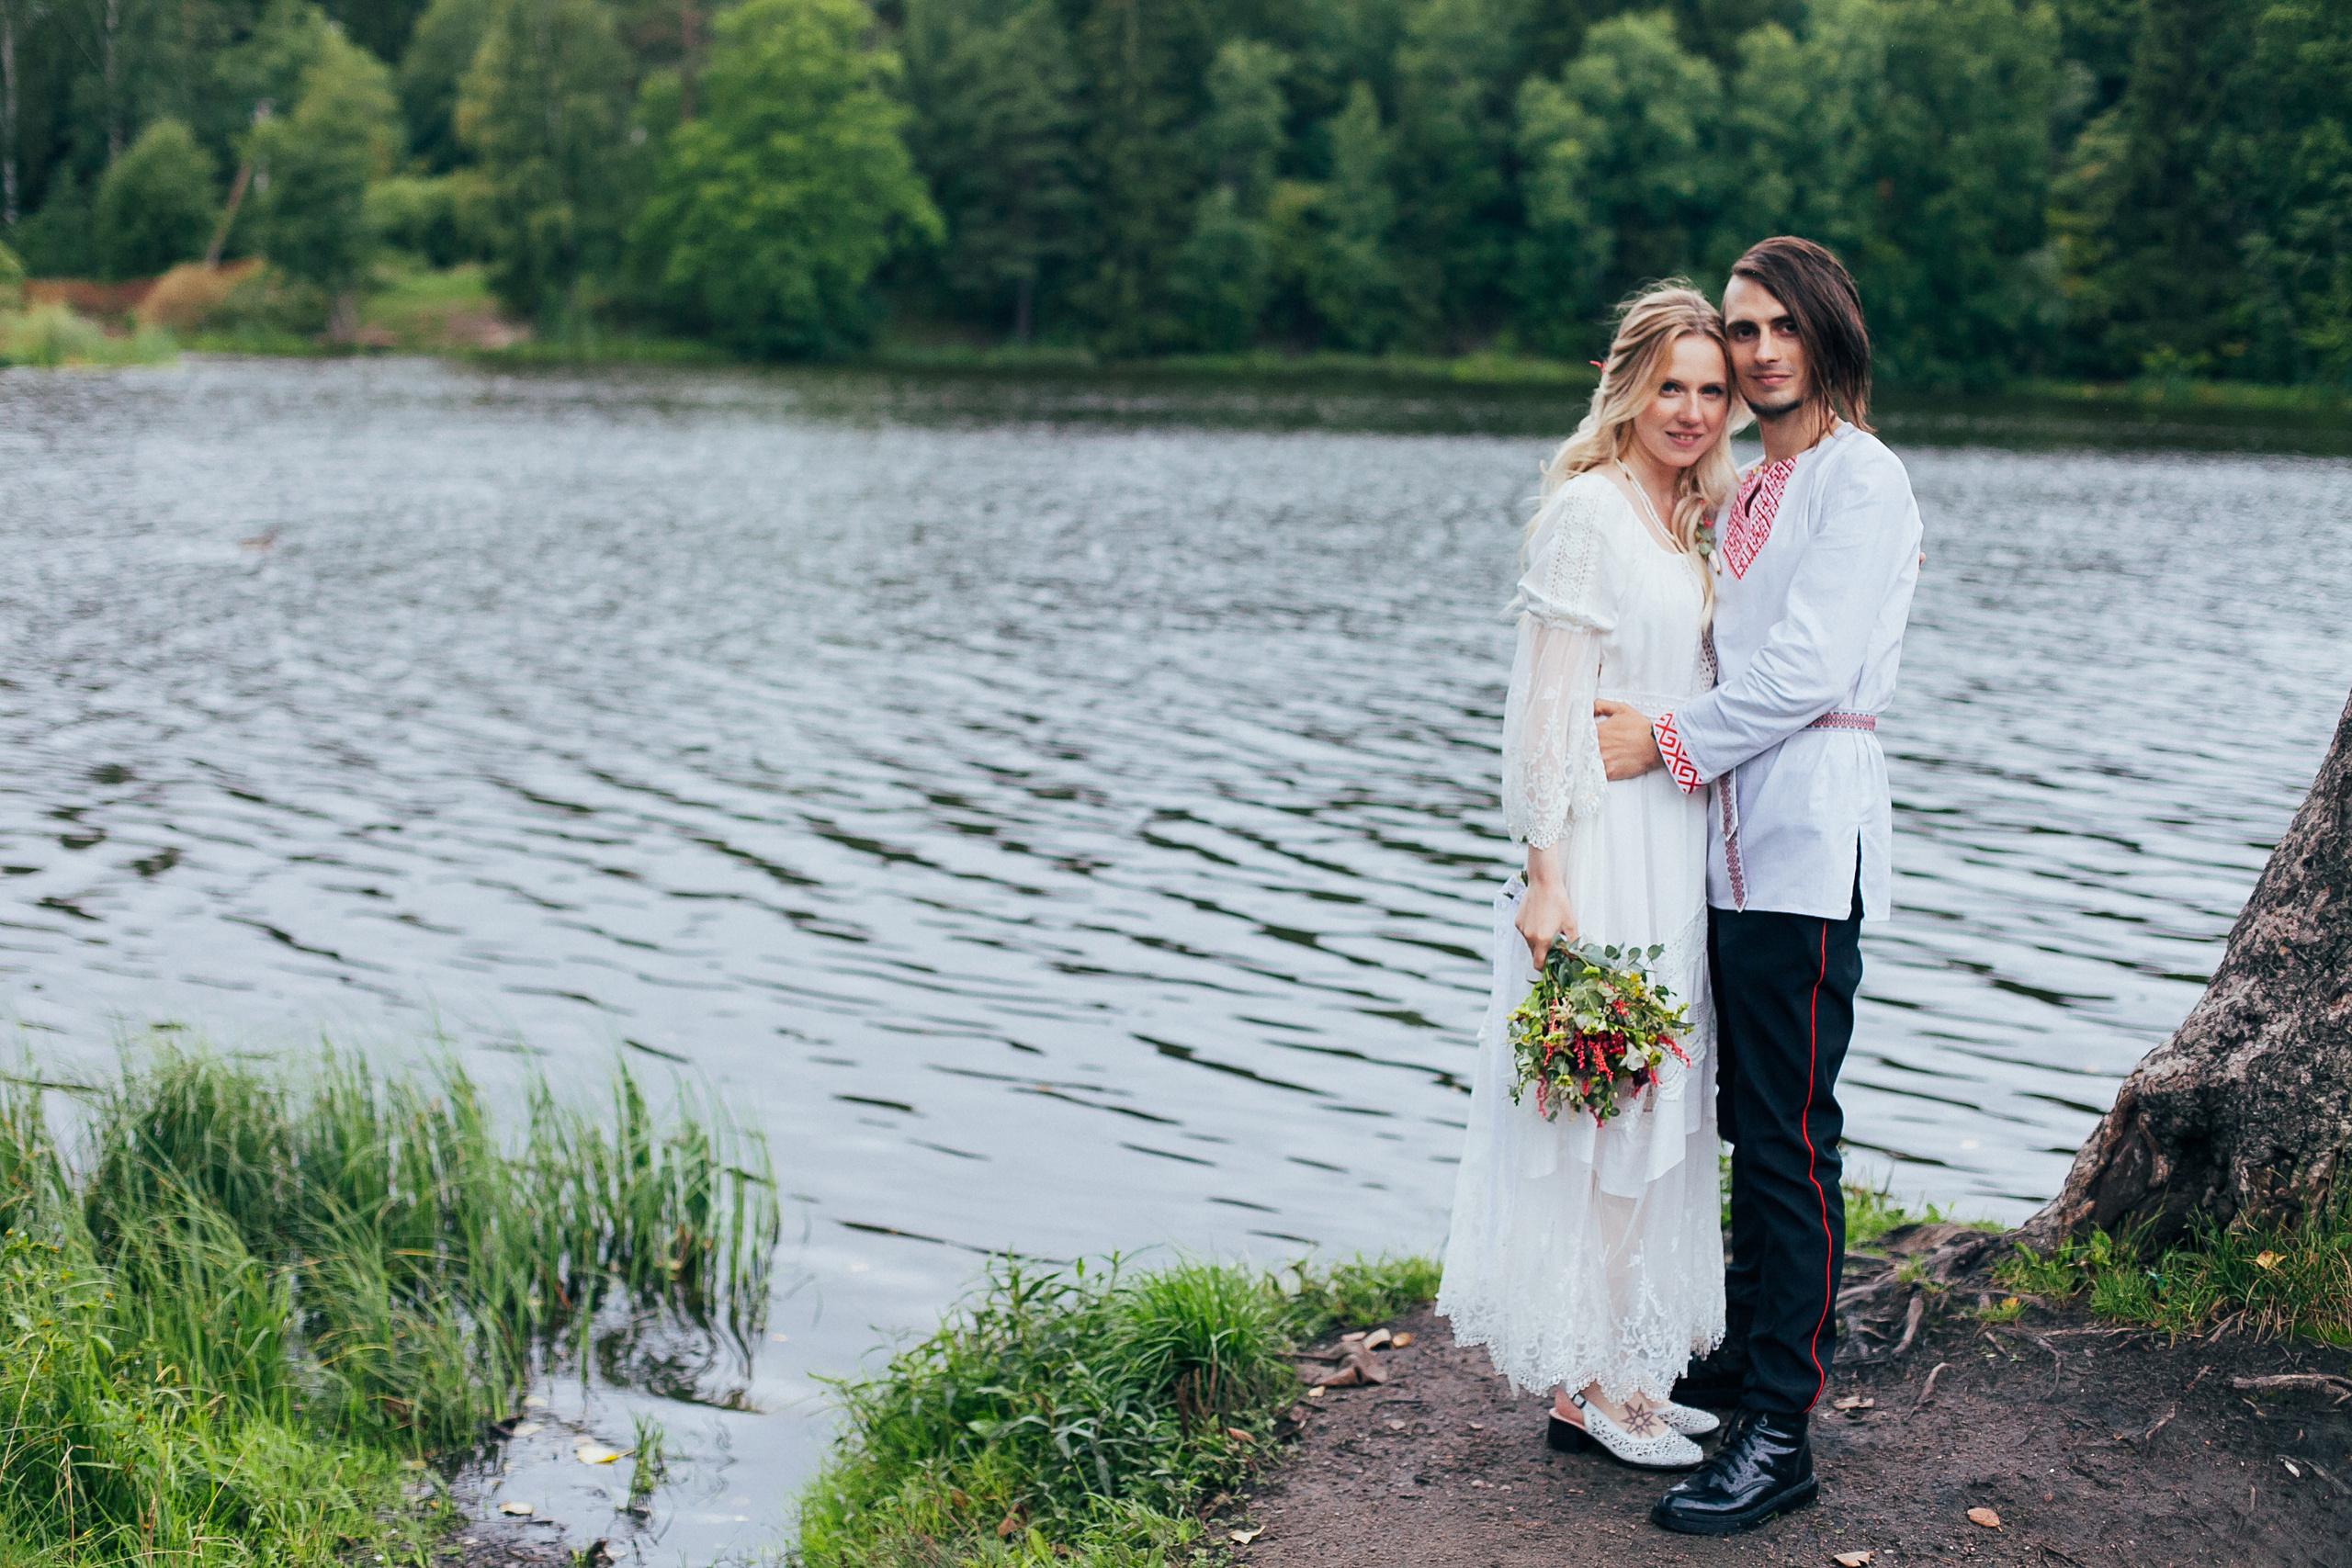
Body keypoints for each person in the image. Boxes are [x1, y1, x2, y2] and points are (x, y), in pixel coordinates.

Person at [1592, 236, 1924, 1535]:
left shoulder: (1863, 482)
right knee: (1743, 1121)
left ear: (1827, 332)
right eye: (1742, 328)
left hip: (1801, 848)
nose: (1759, 347)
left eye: (1782, 324)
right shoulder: (1748, 493)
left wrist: (1664, 742)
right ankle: (1737, 1360)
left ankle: (1780, 1427)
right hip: (1721, 855)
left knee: (1791, 1140)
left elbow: (1802, 674)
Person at [1436, 284, 1741, 1471]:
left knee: (1660, 1110)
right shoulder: (1590, 512)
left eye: (1712, 392)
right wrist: (1546, 875)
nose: (1693, 410)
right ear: (1627, 383)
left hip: (1674, 845)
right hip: (1605, 848)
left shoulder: (1685, 516)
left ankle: (1632, 1369)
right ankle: (1589, 1388)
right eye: (1672, 385)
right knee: (1611, 1111)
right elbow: (1544, 717)